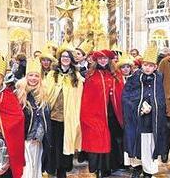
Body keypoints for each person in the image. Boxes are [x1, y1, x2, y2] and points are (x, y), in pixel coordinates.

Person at [123, 45, 167, 178]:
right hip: (136, 119)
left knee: (149, 145)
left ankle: (149, 169)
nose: (148, 68)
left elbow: (161, 98)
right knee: (137, 142)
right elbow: (126, 96)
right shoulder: (134, 78)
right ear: (142, 65)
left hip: (152, 120)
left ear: (155, 67)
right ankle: (137, 167)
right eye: (146, 65)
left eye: (151, 65)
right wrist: (140, 106)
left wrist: (153, 106)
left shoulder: (159, 79)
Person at [80, 49, 125, 178]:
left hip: (113, 114)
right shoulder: (90, 75)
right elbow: (87, 96)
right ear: (96, 60)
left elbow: (120, 91)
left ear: (110, 60)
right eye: (100, 59)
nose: (103, 60)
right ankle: (97, 168)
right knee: (97, 141)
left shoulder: (116, 74)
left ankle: (110, 167)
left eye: (105, 58)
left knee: (112, 141)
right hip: (96, 113)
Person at [44, 43, 84, 178]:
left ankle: (62, 171)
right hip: (53, 117)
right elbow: (46, 93)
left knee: (64, 146)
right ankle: (51, 170)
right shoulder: (51, 74)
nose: (65, 59)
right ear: (59, 58)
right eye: (63, 56)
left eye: (68, 56)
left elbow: (79, 97)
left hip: (68, 118)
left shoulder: (76, 77)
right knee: (52, 146)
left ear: (71, 59)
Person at [15, 59, 51, 178]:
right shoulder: (18, 93)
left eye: (36, 76)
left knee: (36, 166)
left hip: (38, 140)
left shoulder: (44, 94)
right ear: (26, 76)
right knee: (26, 168)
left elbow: (45, 118)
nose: (33, 78)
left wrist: (40, 135)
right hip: (23, 139)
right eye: (31, 75)